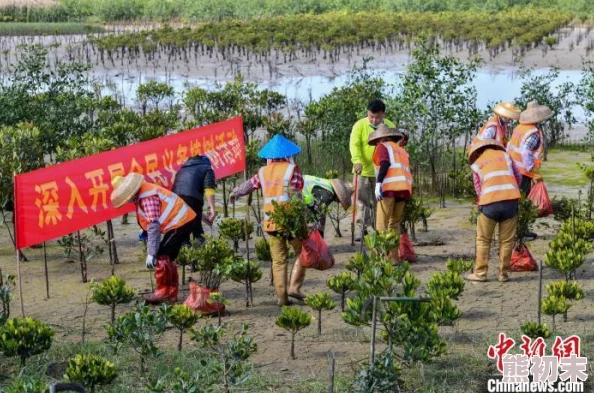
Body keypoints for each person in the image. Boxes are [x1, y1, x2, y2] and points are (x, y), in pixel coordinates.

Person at [229, 134, 305, 306]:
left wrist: (235, 193)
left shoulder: (262, 172)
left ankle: (282, 298)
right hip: (291, 222)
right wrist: (303, 220)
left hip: (271, 223)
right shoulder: (293, 169)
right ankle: (295, 286)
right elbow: (297, 194)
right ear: (287, 154)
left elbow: (249, 185)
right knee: (302, 252)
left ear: (270, 156)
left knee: (278, 261)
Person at [111, 173, 196, 304]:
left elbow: (153, 226)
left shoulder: (147, 197)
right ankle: (171, 293)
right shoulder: (145, 191)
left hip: (180, 221)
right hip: (181, 219)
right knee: (169, 257)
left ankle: (163, 292)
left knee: (162, 255)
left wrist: (151, 253)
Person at [466, 139, 522, 283]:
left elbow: (478, 187)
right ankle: (503, 274)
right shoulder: (506, 156)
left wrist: (482, 201)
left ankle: (480, 274)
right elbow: (518, 177)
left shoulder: (477, 163)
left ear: (478, 151)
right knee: (507, 241)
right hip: (510, 201)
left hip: (489, 204)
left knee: (483, 240)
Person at [350, 99, 396, 240]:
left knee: (380, 201)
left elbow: (395, 147)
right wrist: (357, 161)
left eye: (377, 117)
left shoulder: (390, 126)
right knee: (361, 201)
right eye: (371, 116)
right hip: (362, 171)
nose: (374, 120)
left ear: (384, 115)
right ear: (367, 113)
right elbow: (354, 144)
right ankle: (360, 229)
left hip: (382, 171)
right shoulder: (359, 125)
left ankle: (380, 229)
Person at [369, 124, 412, 263]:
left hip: (388, 189)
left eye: (377, 140)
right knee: (394, 224)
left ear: (383, 137)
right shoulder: (401, 150)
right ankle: (393, 259)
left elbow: (385, 164)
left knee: (382, 223)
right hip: (403, 190)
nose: (376, 143)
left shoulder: (383, 147)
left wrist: (378, 183)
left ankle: (379, 258)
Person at [507, 101, 551, 196]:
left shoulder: (519, 128)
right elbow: (525, 151)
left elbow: (509, 146)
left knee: (513, 196)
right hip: (523, 172)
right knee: (522, 197)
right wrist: (531, 168)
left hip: (511, 167)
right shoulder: (533, 133)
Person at [171, 154, 217, 245]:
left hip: (175, 203)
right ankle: (201, 257)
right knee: (198, 233)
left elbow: (188, 203)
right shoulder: (206, 168)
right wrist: (212, 209)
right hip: (191, 201)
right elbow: (209, 189)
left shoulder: (182, 170)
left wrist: (202, 216)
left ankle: (186, 257)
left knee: (183, 234)